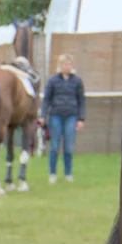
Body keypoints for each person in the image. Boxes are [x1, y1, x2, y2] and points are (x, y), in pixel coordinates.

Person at [42, 53, 85, 183]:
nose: (67, 67)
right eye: (64, 64)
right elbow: (46, 99)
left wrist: (81, 118)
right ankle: (53, 173)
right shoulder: (53, 81)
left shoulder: (77, 81)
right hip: (56, 116)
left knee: (68, 147)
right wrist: (43, 116)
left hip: (71, 116)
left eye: (69, 64)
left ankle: (68, 173)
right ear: (60, 66)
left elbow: (81, 100)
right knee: (54, 146)